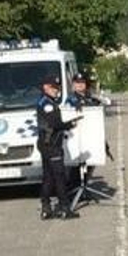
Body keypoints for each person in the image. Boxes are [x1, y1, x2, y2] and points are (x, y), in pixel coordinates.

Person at [35, 75, 79, 220]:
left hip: (46, 144)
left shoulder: (47, 101)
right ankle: (64, 208)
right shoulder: (47, 103)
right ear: (45, 87)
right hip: (52, 144)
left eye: (57, 88)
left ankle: (46, 207)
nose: (56, 90)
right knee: (59, 176)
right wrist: (70, 124)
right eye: (54, 87)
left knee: (48, 176)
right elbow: (55, 123)